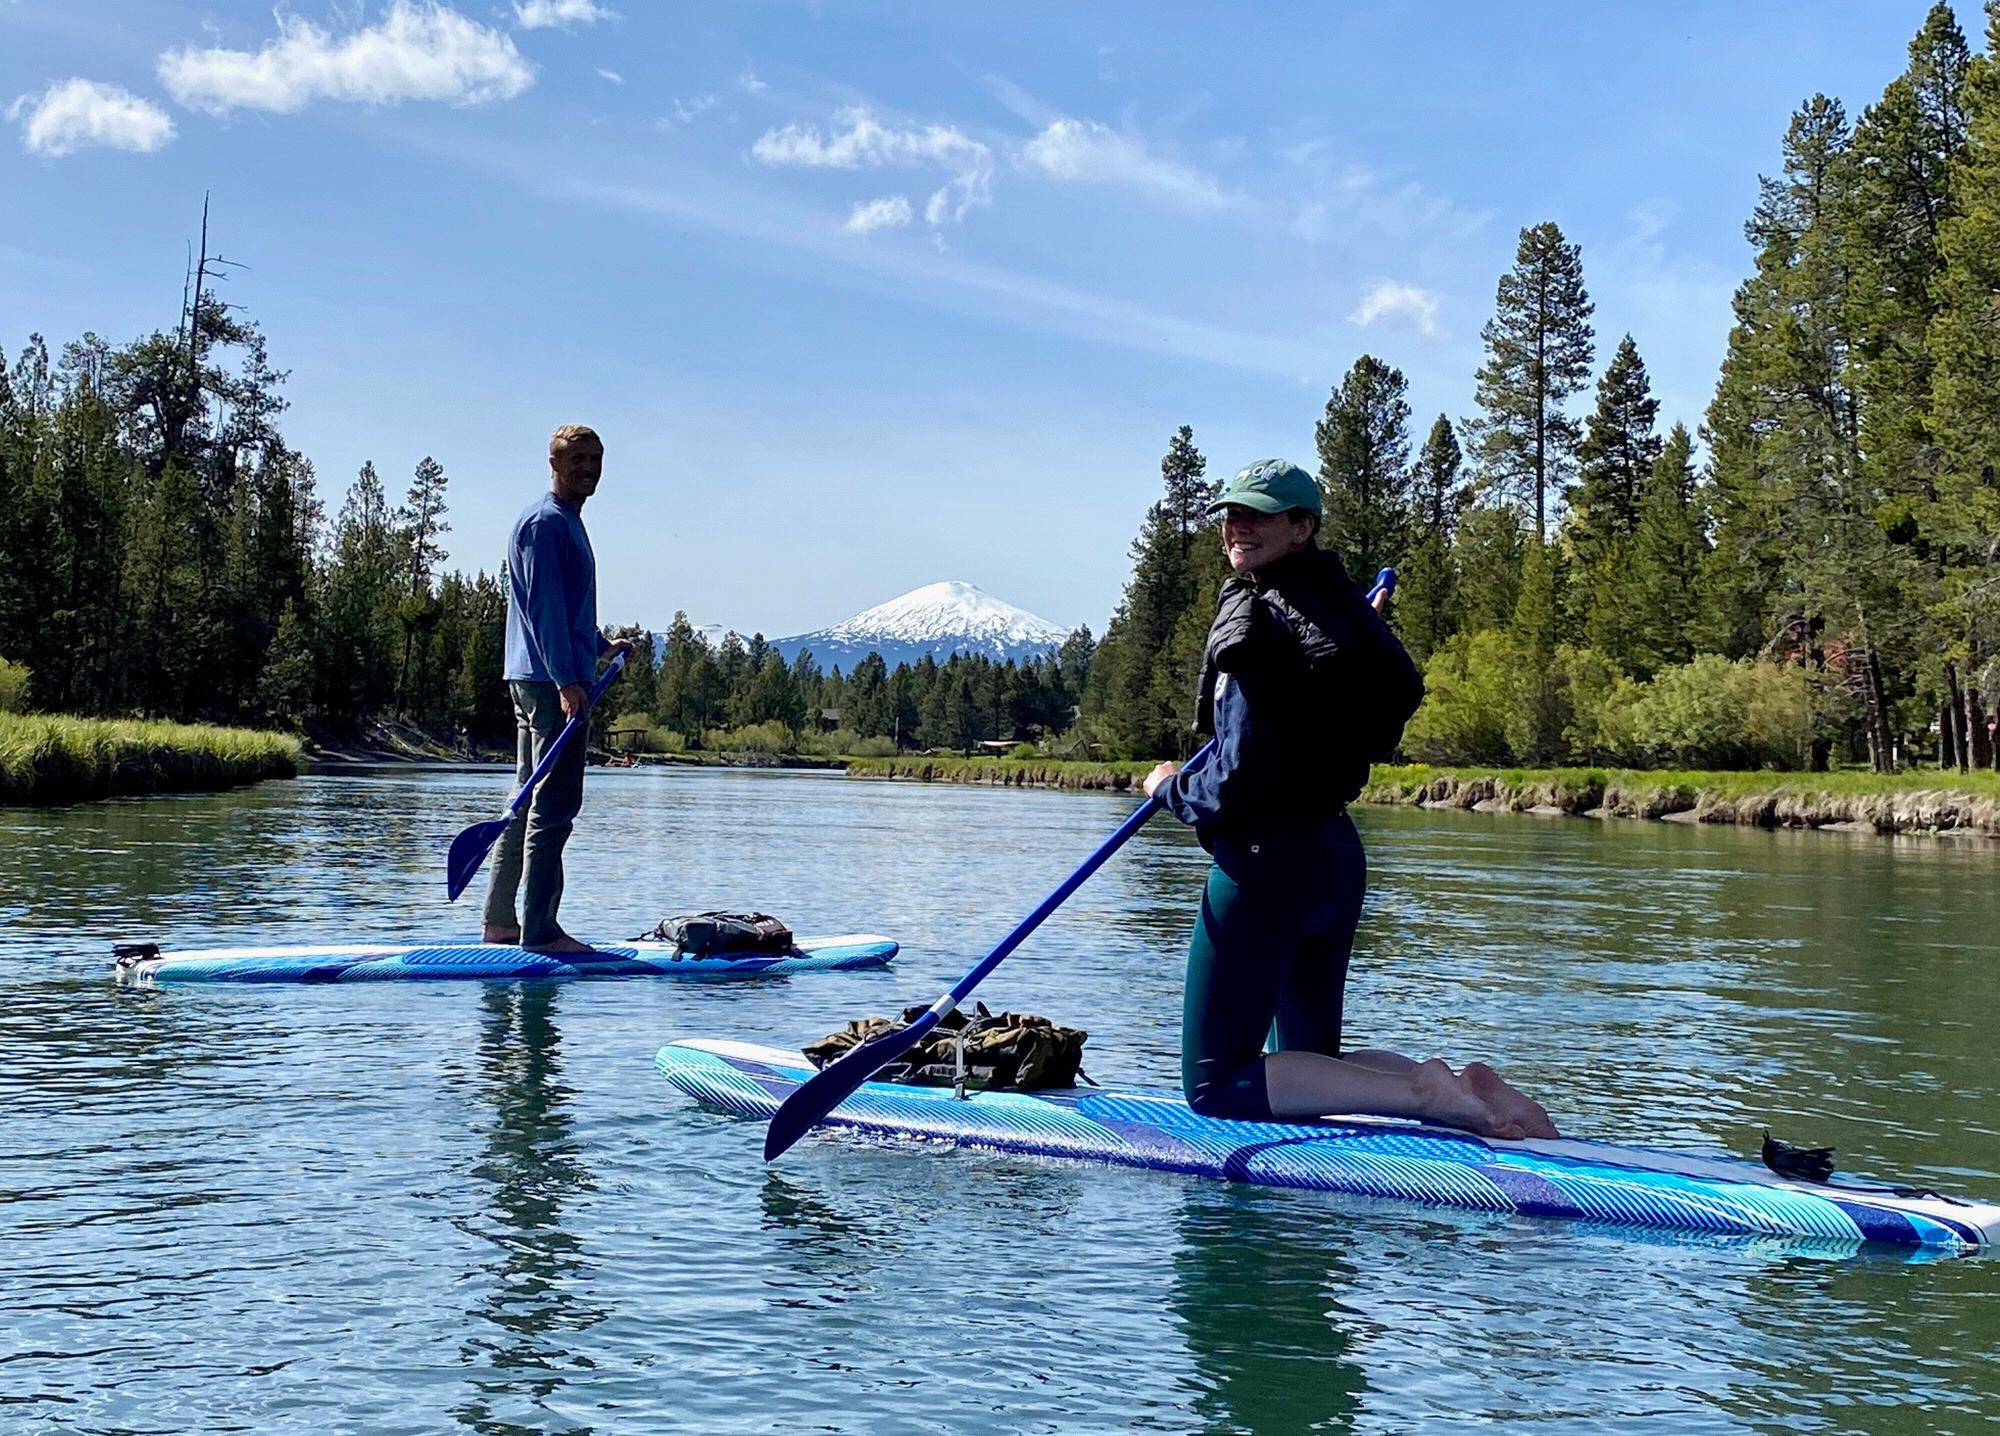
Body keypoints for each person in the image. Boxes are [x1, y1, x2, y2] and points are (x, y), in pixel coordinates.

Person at [1141, 458, 1557, 1140]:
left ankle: (1428, 1095)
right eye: (1231, 515)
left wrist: (1170, 790)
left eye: (1259, 515)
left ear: (1303, 527)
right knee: (1308, 1064)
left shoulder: (1255, 619)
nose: (1237, 527)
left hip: (1264, 863)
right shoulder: (1342, 618)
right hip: (1333, 856)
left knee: (1218, 1083)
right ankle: (1457, 1091)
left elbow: (1238, 777)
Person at [483, 424, 633, 953]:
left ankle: (501, 924)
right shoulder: (547, 523)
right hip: (551, 686)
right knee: (554, 806)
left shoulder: (561, 522)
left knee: (524, 803)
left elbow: (560, 609)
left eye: (596, 459)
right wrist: (569, 679)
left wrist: (598, 645)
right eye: (578, 460)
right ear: (553, 462)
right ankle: (541, 930)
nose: (588, 468)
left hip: (539, 676)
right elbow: (542, 609)